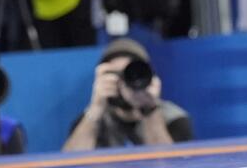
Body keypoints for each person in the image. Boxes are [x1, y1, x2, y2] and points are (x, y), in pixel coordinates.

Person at [62, 38, 193, 150]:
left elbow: (172, 163)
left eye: (131, 74)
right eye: (115, 75)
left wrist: (149, 109)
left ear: (148, 77)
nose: (123, 82)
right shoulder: (89, 122)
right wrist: (95, 109)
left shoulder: (173, 118)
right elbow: (70, 164)